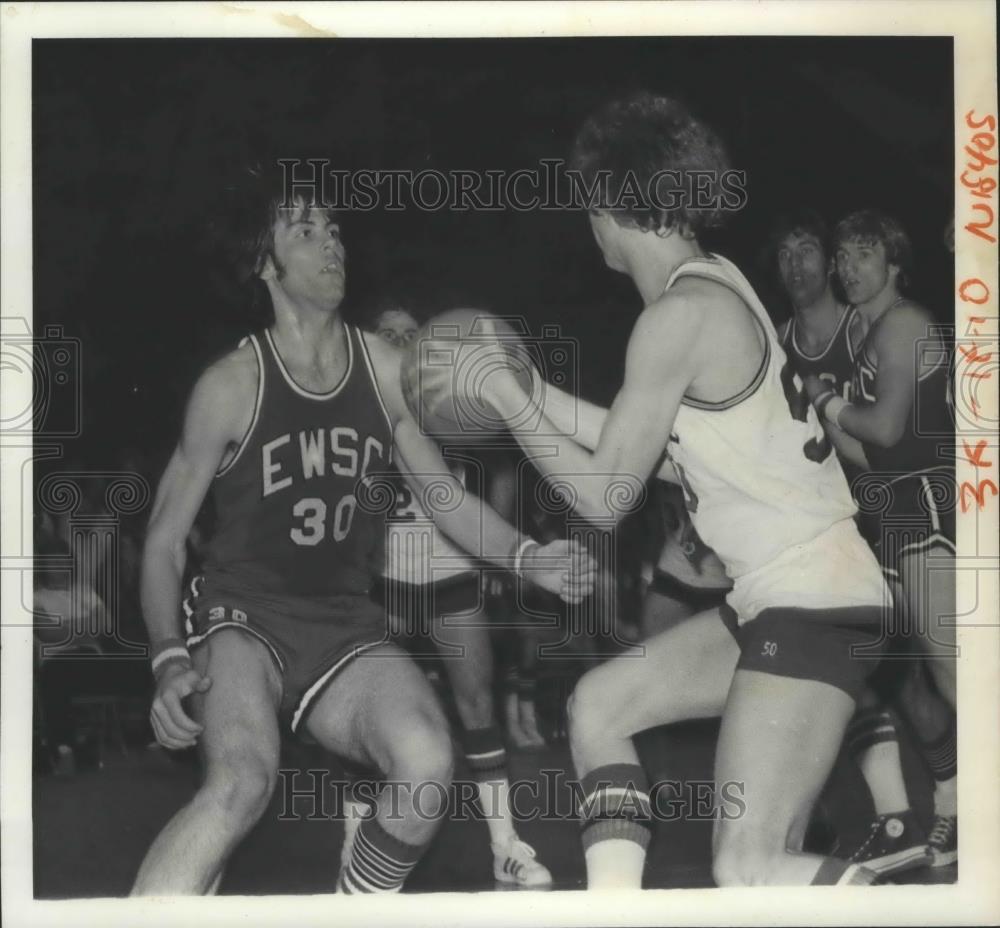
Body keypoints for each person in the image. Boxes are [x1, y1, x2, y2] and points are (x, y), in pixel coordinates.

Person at [450, 92, 893, 887]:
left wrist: (509, 401)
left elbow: (606, 497)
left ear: (610, 202)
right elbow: (662, 454)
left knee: (749, 869)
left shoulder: (677, 316)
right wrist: (531, 389)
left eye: (588, 203)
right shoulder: (713, 284)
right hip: (789, 592)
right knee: (599, 705)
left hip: (813, 600)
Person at [130, 167, 593, 896]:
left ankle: (354, 906)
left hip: (344, 622)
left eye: (335, 228)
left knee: (427, 761)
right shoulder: (230, 385)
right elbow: (161, 540)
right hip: (243, 616)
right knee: (242, 781)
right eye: (305, 231)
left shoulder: (382, 369)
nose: (331, 244)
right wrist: (164, 660)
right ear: (265, 263)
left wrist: (528, 555)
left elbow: (444, 496)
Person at [771, 209, 936, 876]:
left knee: (929, 664)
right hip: (834, 518)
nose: (801, 267)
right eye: (786, 257)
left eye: (809, 251)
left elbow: (894, 426)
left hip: (904, 504)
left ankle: (947, 799)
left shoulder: (873, 324)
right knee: (856, 666)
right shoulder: (777, 343)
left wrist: (836, 409)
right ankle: (894, 815)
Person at [365, 302, 553, 887]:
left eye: (408, 334)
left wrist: (498, 549)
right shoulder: (360, 409)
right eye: (387, 334)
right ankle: (354, 836)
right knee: (364, 711)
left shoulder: (449, 406)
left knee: (477, 706)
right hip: (384, 581)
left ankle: (505, 844)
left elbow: (499, 466)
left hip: (451, 572)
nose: (398, 341)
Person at [806, 208, 957, 866]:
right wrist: (823, 408)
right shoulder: (867, 338)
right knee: (897, 673)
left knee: (960, 673)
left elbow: (890, 431)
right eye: (842, 256)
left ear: (895, 262)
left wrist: (831, 402)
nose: (849, 266)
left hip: (930, 506)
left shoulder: (905, 324)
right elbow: (867, 456)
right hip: (894, 507)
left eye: (864, 254)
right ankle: (945, 810)